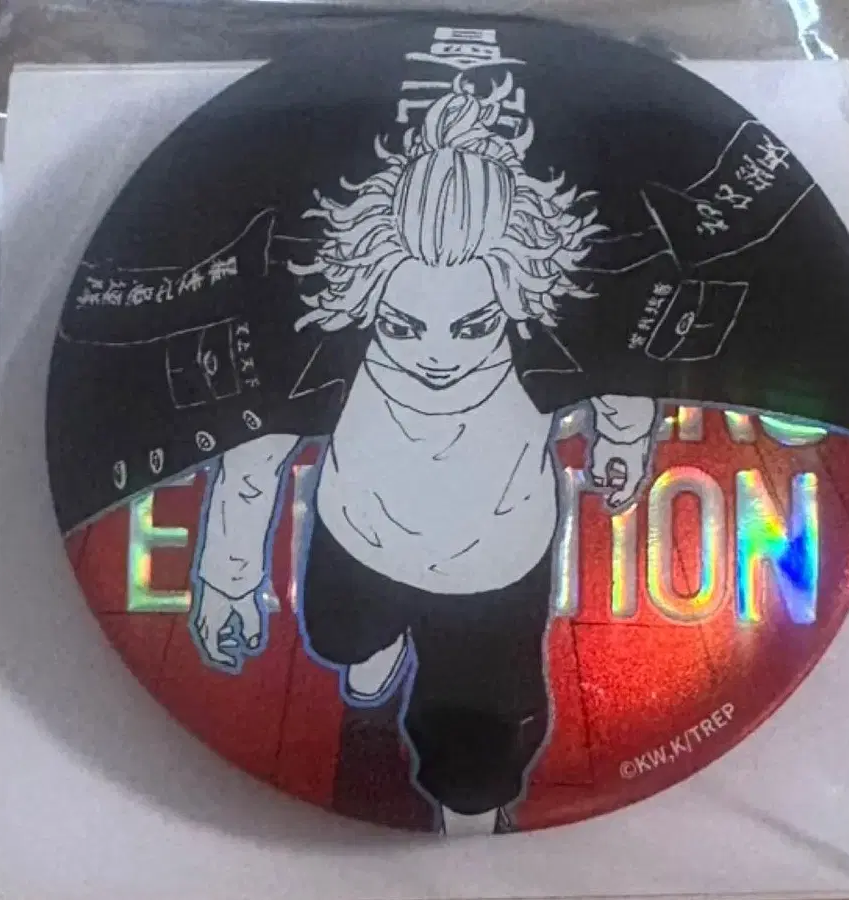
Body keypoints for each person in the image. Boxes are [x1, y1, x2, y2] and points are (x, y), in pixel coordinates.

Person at [189, 75, 659, 835]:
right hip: (358, 540)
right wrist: (228, 579)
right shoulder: (329, 355)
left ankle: (472, 830)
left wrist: (627, 438)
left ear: (512, 299)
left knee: (480, 756)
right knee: (338, 637)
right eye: (402, 327)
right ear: (368, 301)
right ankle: (375, 643)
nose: (438, 355)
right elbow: (252, 460)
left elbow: (615, 371)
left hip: (497, 567)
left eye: (473, 327)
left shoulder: (550, 341)